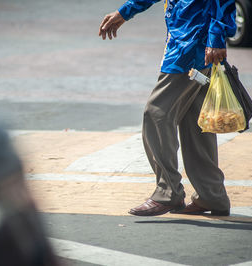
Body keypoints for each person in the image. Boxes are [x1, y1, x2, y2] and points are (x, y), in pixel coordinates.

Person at [98, 0, 236, 216]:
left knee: (156, 113)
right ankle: (212, 195)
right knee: (195, 121)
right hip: (186, 35)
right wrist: (125, 12)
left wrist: (216, 35)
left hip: (191, 42)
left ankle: (168, 192)